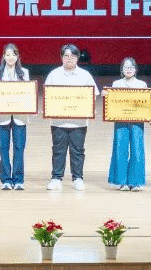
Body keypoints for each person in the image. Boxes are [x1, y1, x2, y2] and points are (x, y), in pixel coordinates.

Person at [44, 43, 99, 192]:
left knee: (78, 151)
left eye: (72, 56)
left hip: (79, 122)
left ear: (77, 58)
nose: (69, 59)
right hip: (58, 121)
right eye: (66, 56)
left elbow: (93, 95)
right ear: (61, 57)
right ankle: (56, 178)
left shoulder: (85, 75)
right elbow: (47, 94)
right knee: (58, 151)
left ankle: (78, 178)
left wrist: (88, 109)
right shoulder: (54, 74)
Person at [0, 43, 30, 190]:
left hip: (20, 116)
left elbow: (28, 94)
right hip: (2, 116)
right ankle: (5, 179)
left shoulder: (24, 72)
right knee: (3, 148)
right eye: (8, 55)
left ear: (18, 57)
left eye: (13, 54)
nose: (11, 57)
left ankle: (18, 180)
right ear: (3, 56)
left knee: (19, 148)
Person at [104, 57, 147, 191]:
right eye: (126, 67)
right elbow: (112, 103)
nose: (128, 69)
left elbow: (147, 104)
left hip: (137, 121)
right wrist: (106, 95)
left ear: (135, 69)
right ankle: (121, 181)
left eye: (131, 67)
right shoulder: (116, 84)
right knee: (120, 149)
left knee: (137, 149)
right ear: (122, 70)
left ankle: (135, 182)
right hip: (120, 120)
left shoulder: (142, 84)